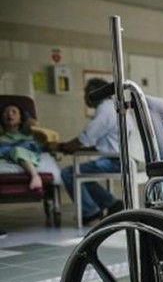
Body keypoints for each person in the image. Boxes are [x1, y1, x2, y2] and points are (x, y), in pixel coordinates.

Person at [57, 78, 125, 224]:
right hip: (123, 158)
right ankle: (111, 203)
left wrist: (59, 147)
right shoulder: (114, 107)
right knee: (81, 173)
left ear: (96, 93)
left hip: (115, 161)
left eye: (86, 93)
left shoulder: (104, 111)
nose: (85, 97)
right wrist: (70, 149)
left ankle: (90, 212)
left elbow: (84, 139)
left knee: (68, 173)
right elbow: (101, 144)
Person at [0, 104, 45, 192]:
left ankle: (35, 176)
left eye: (14, 112)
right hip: (5, 158)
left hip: (25, 155)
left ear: (21, 119)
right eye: (6, 112)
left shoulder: (30, 136)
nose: (10, 114)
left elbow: (43, 146)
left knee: (17, 150)